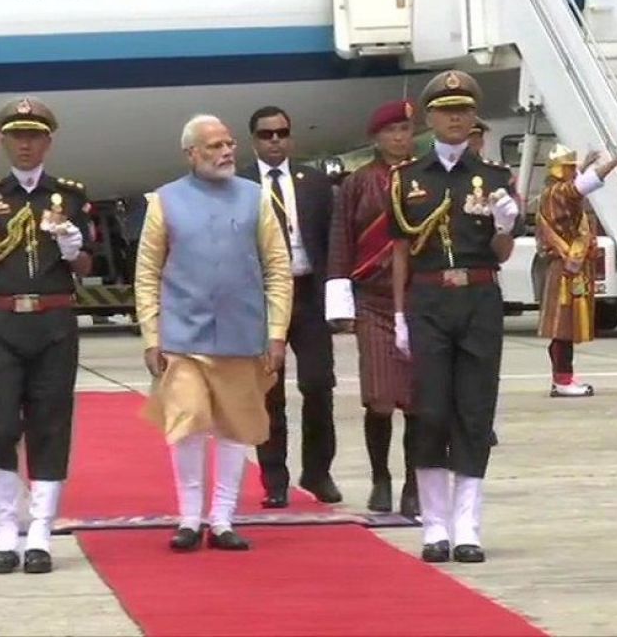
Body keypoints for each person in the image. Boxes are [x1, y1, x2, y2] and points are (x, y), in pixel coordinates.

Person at [136, 114, 292, 551]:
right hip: (182, 334)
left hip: (243, 333)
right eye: (214, 146)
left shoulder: (254, 198)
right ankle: (189, 516)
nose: (226, 152)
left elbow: (278, 268)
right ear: (191, 154)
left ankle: (222, 518)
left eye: (228, 144)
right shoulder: (164, 201)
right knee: (186, 421)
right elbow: (147, 273)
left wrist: (277, 331)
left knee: (233, 428)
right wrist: (152, 336)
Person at [389, 70, 521, 564]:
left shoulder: (494, 177)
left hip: (479, 299)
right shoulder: (407, 179)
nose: (456, 119)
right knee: (431, 410)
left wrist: (506, 224)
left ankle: (467, 525)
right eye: (447, 111)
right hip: (428, 302)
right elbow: (400, 250)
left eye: (464, 111)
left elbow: (502, 252)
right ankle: (434, 524)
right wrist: (400, 314)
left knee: (474, 411)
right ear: (430, 118)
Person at [0, 96, 93, 574]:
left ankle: (40, 530)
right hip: (1, 323)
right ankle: (4, 529)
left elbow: (84, 266)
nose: (25, 144)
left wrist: (71, 244)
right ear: (3, 142)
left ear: (48, 143)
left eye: (34, 136)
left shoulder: (71, 196)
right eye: (17, 136)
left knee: (50, 424)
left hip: (54, 324)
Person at [239, 105, 340, 508]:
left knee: (318, 385)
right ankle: (274, 479)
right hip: (262, 299)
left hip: (308, 294)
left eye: (282, 133)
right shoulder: (240, 185)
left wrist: (338, 295)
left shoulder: (314, 182)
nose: (275, 140)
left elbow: (333, 242)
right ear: (254, 141)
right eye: (266, 135)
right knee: (269, 394)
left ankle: (318, 471)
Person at [326, 100, 419, 517]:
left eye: (405, 129)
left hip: (420, 299)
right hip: (373, 298)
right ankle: (381, 478)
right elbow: (341, 241)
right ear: (376, 137)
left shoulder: (425, 177)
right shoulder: (358, 184)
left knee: (418, 399)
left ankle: (415, 484)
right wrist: (340, 302)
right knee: (379, 397)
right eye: (391, 131)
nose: (399, 137)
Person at [536, 144, 617, 397]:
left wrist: (586, 164)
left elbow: (576, 184)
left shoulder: (551, 191)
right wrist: (614, 162)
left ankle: (563, 377)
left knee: (564, 327)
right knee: (563, 327)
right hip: (565, 267)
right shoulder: (559, 193)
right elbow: (580, 186)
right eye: (571, 168)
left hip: (564, 266)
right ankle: (562, 380)